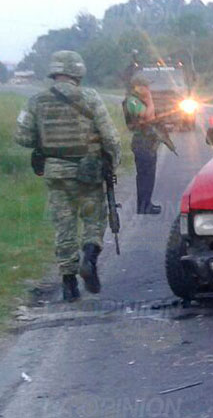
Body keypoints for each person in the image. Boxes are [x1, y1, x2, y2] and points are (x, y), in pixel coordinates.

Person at [14, 51, 121, 301]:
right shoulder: (90, 97)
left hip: (56, 174)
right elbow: (111, 136)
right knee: (94, 219)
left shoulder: (37, 101)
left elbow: (22, 137)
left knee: (64, 225)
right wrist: (113, 162)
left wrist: (43, 144)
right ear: (78, 72)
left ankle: (69, 284)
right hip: (89, 173)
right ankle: (90, 259)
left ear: (55, 71)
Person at [123, 74, 163, 214]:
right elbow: (148, 116)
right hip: (142, 141)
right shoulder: (132, 101)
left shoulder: (139, 100)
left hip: (147, 141)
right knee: (145, 174)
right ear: (137, 87)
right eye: (145, 86)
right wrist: (150, 101)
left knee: (149, 175)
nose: (148, 89)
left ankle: (146, 203)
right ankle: (143, 206)